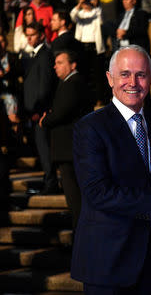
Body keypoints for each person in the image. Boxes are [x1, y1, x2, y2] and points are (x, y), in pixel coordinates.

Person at [71, 45, 151, 294]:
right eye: (125, 74)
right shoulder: (90, 127)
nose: (133, 82)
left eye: (141, 74)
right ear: (109, 78)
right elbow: (97, 192)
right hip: (107, 260)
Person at [39, 50, 91, 232]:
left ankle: (80, 235)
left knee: (74, 195)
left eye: (60, 62)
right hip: (70, 148)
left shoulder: (72, 83)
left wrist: (45, 119)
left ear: (73, 64)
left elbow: (61, 112)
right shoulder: (70, 83)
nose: (55, 66)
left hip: (69, 148)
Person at [23, 21, 58, 195]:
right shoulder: (30, 55)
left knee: (44, 148)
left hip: (41, 112)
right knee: (41, 148)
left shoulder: (45, 55)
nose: (29, 38)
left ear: (42, 35)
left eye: (32, 35)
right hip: (32, 111)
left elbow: (45, 85)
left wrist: (38, 110)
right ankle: (48, 180)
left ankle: (51, 183)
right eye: (27, 35)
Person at [70, 0, 106, 105]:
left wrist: (95, 4)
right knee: (83, 73)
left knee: (97, 75)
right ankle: (84, 98)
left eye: (87, 1)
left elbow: (101, 19)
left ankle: (100, 98)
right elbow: (72, 15)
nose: (86, 3)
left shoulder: (97, 11)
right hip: (82, 46)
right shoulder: (80, 14)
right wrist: (80, 3)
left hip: (95, 46)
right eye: (85, 2)